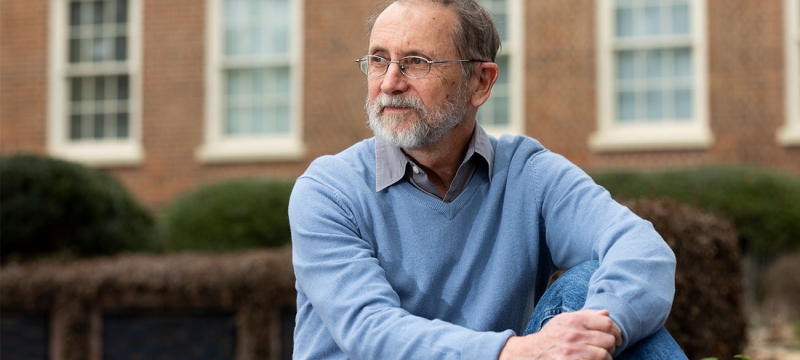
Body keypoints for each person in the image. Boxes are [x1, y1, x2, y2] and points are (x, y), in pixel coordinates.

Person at [289, 0, 686, 358]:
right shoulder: (328, 191)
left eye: (415, 62)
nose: (390, 82)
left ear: (481, 82)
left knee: (596, 294)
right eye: (379, 60)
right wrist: (514, 352)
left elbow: (642, 250)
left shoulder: (528, 173)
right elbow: (371, 330)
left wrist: (604, 329)